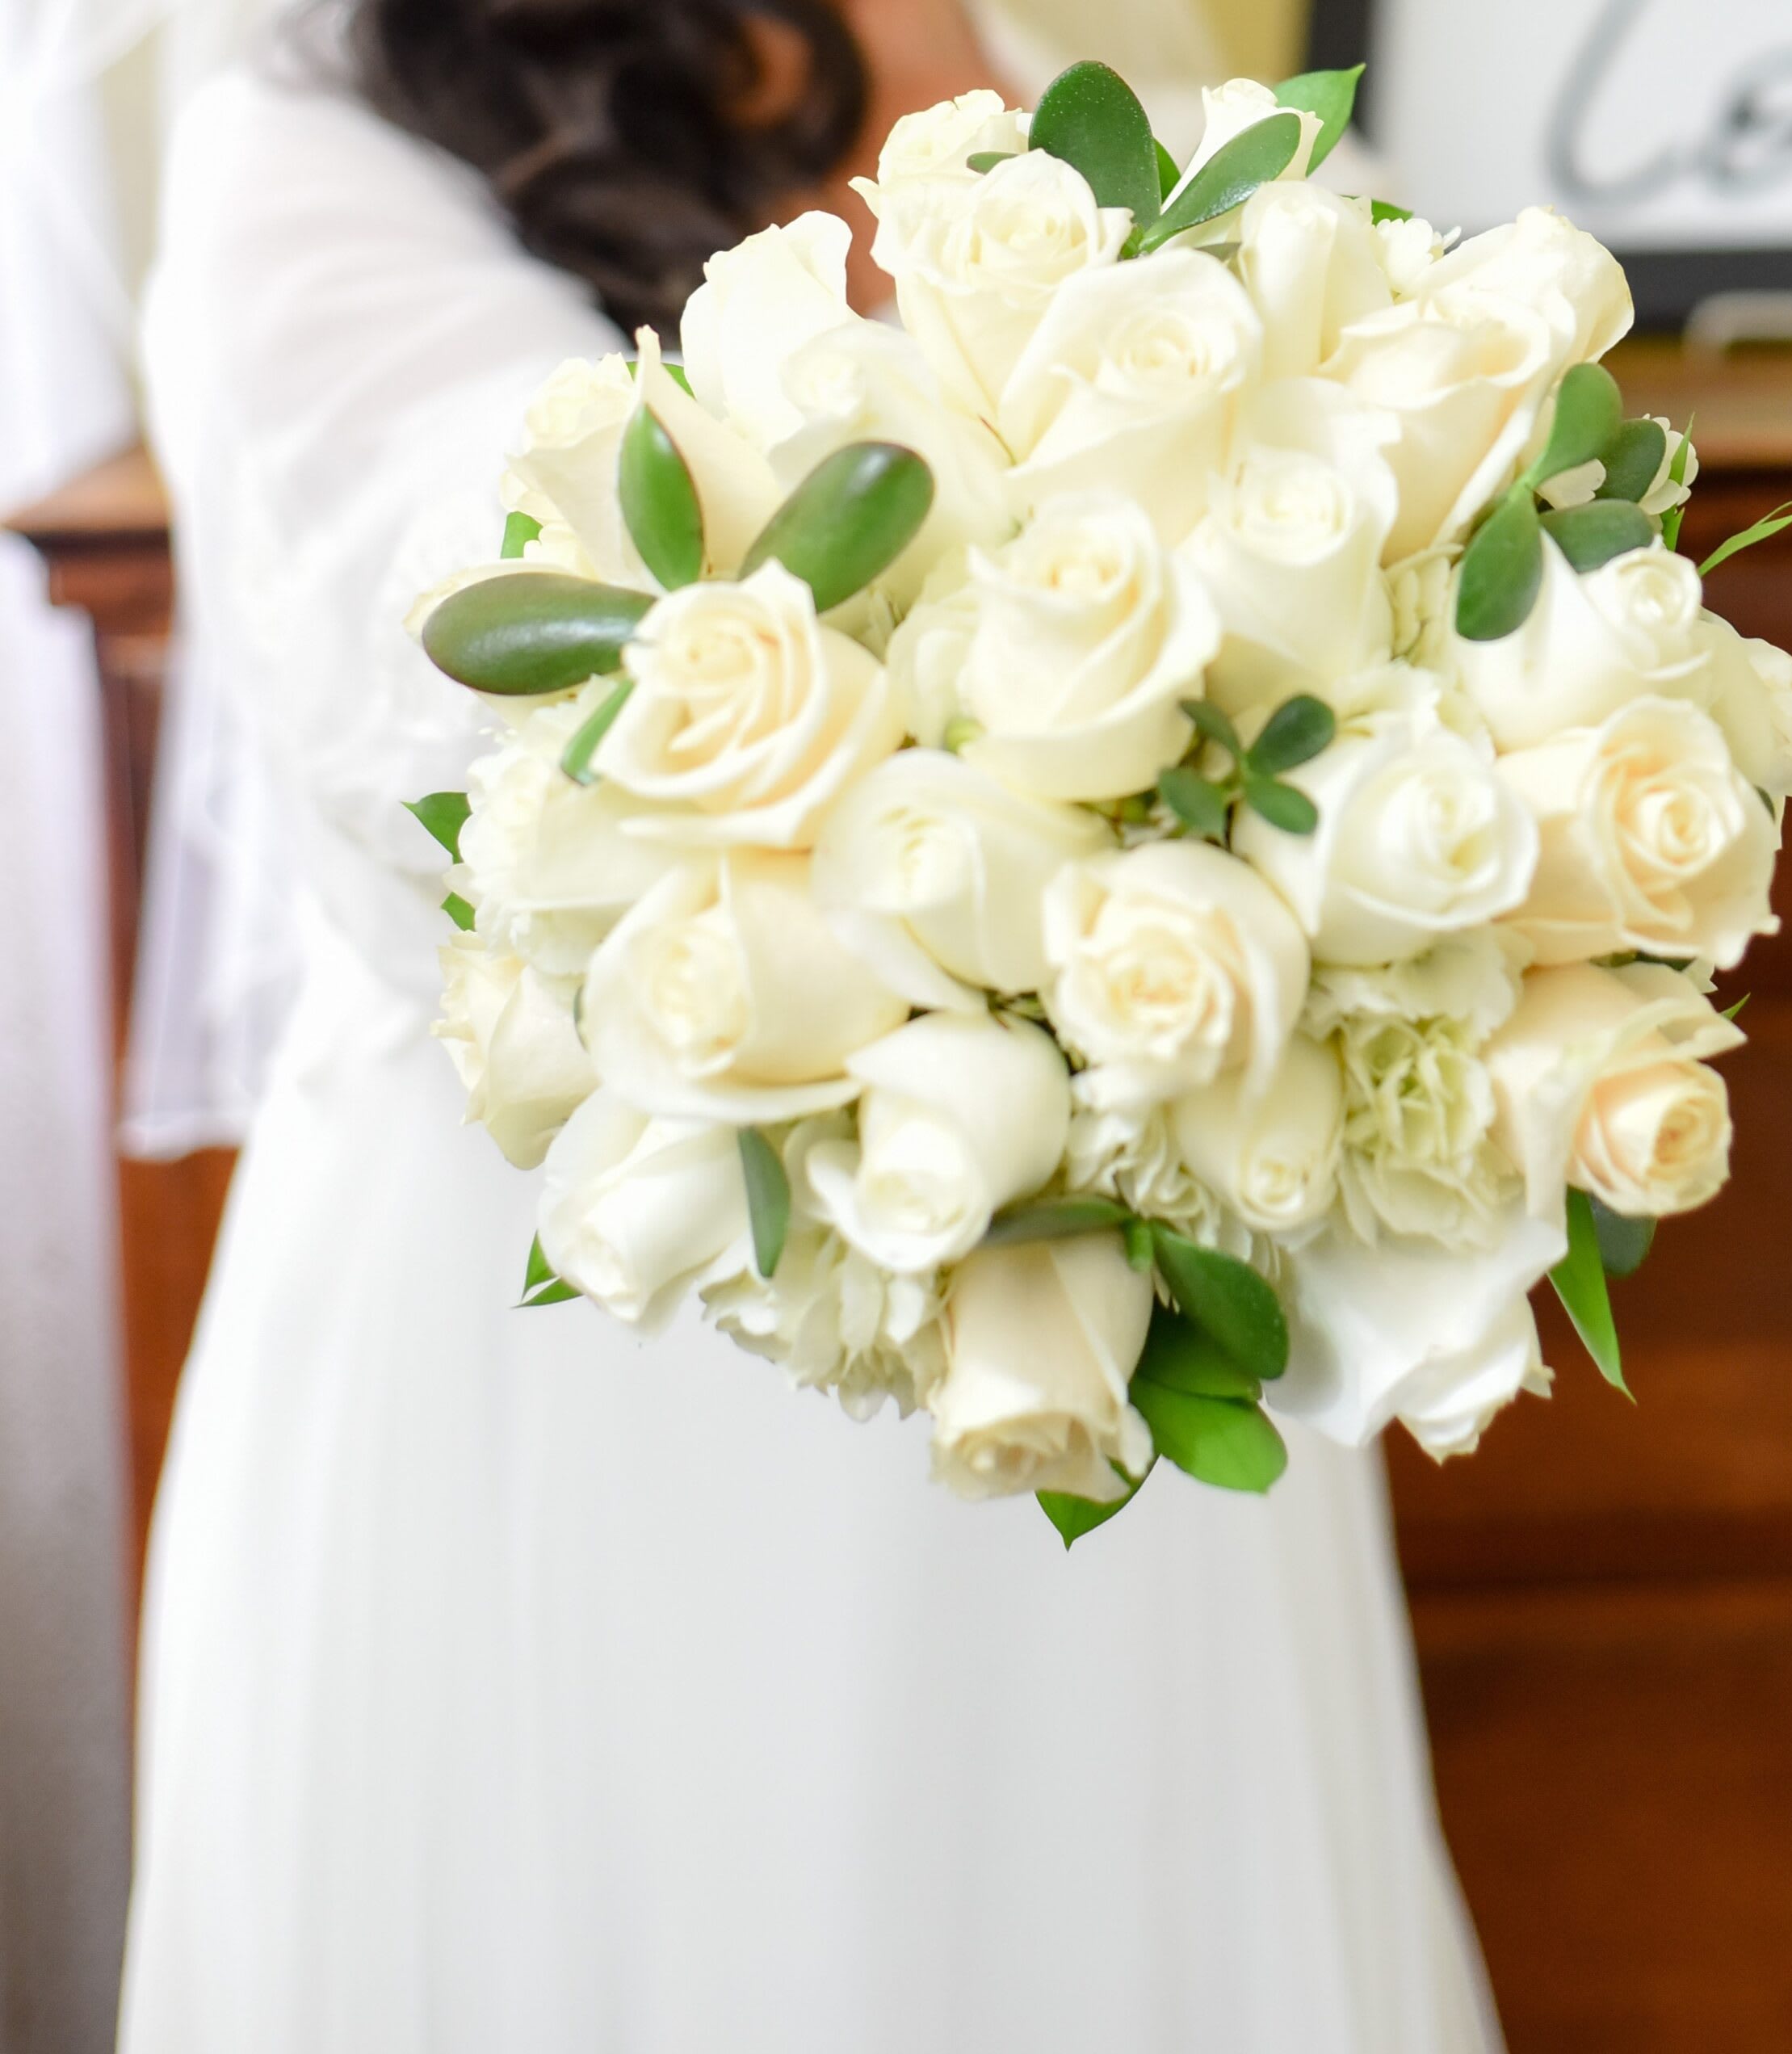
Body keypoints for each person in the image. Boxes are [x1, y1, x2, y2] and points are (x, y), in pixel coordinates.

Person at [123, 2, 1503, 2047]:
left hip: (1125, 1388)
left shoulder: (1172, 127)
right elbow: (508, 692)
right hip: (577, 1392)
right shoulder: (315, 156)